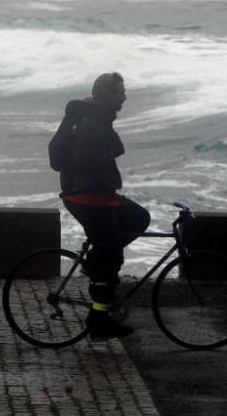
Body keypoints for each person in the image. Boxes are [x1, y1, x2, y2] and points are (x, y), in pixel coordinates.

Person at [57, 72, 150, 341]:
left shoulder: (94, 114)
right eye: (120, 92)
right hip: (90, 198)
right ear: (107, 95)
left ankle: (95, 261)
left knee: (138, 217)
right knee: (111, 258)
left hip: (93, 194)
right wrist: (104, 163)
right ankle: (99, 320)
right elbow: (84, 160)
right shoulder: (94, 121)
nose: (124, 96)